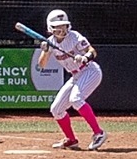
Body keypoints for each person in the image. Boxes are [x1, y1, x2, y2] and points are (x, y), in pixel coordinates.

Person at [37, 8, 104, 150]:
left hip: (90, 71)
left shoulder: (75, 37)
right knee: (56, 109)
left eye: (63, 26)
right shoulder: (50, 43)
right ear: (50, 28)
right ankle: (71, 139)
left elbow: (92, 51)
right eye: (57, 27)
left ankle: (99, 133)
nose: (61, 29)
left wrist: (85, 57)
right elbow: (41, 65)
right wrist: (45, 50)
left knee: (76, 99)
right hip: (75, 75)